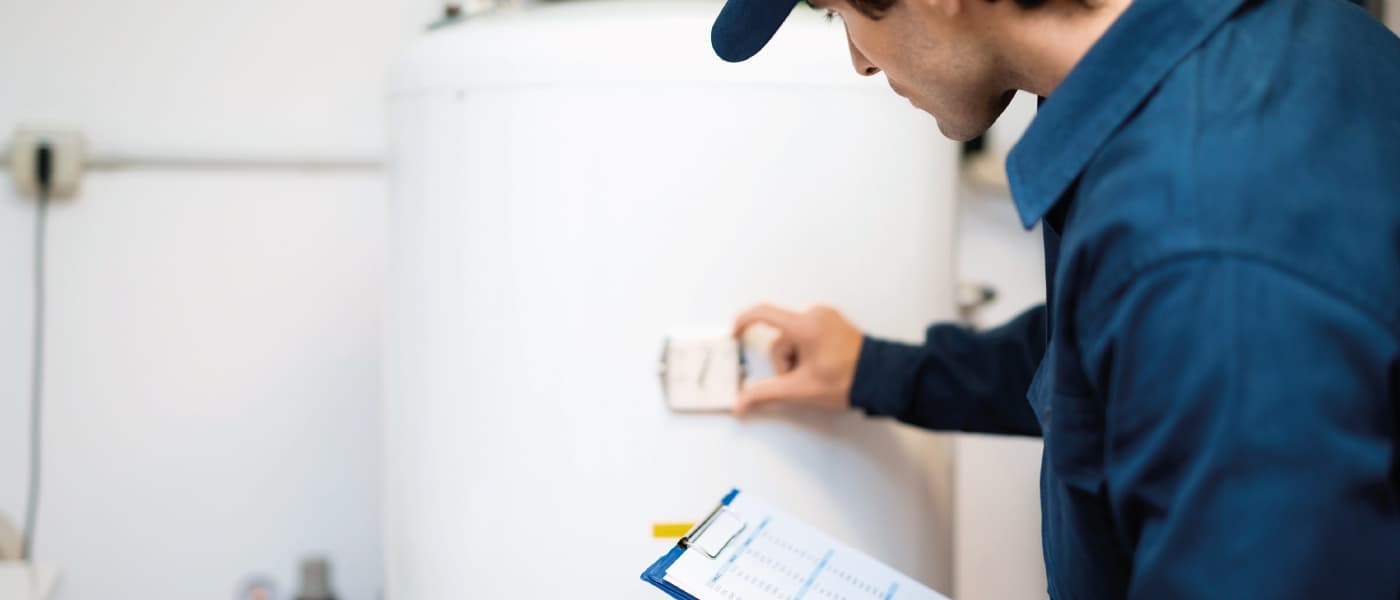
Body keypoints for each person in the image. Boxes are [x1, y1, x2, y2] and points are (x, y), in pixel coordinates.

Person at [711, 0, 1400, 597]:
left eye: (845, 15)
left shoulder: (1206, 252)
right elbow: (1113, 355)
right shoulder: (1282, 40)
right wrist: (880, 371)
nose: (859, 60)